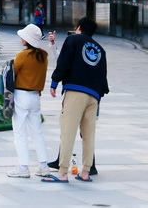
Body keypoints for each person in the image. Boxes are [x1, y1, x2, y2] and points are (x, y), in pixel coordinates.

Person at [42, 17, 108, 183]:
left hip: (76, 91)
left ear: (79, 27)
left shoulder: (73, 40)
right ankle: (85, 172)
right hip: (94, 96)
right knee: (88, 135)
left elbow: (64, 62)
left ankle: (63, 173)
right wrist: (99, 96)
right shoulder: (100, 50)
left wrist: (55, 81)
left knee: (68, 131)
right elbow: (103, 76)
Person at [7, 23, 57, 178]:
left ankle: (23, 167)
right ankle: (44, 166)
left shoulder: (22, 55)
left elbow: (12, 73)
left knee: (20, 133)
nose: (21, 38)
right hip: (35, 96)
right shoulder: (43, 55)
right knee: (37, 133)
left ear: (27, 39)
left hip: (21, 95)